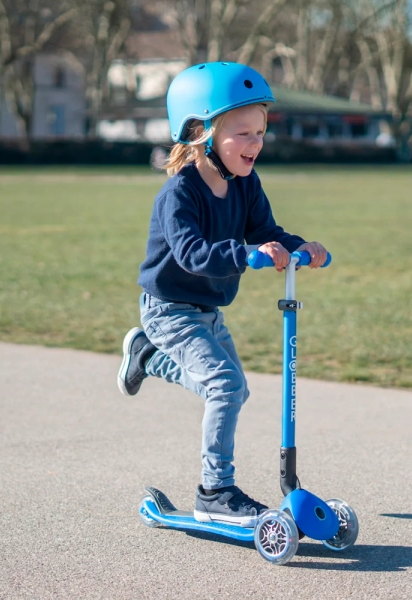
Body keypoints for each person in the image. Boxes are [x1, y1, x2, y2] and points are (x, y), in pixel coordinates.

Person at [118, 62, 328, 528]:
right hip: (169, 308)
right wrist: (247, 255)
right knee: (226, 386)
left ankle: (147, 358)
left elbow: (266, 230)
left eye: (260, 132)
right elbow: (192, 253)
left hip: (208, 308)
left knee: (234, 388)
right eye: (243, 133)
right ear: (200, 132)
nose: (255, 143)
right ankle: (214, 490)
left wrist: (301, 248)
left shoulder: (245, 185)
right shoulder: (179, 193)